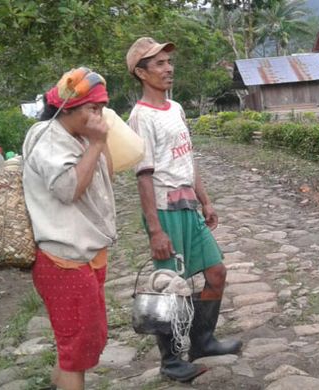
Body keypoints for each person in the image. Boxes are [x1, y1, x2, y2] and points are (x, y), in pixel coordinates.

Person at [125, 37, 242, 382]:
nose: (168, 68)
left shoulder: (174, 109)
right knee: (169, 286)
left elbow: (187, 160)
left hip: (188, 206)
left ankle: (202, 341)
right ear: (141, 73)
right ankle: (172, 361)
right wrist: (155, 230)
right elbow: (144, 176)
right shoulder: (140, 116)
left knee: (216, 272)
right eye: (158, 64)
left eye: (168, 62)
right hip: (164, 210)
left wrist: (204, 199)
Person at [23, 67, 116, 390]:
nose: (99, 116)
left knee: (81, 343)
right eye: (93, 109)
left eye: (102, 109)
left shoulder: (80, 137)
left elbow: (107, 178)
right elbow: (69, 188)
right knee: (75, 347)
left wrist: (99, 142)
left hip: (86, 252)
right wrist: (96, 144)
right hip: (63, 257)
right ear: (67, 108)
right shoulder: (47, 137)